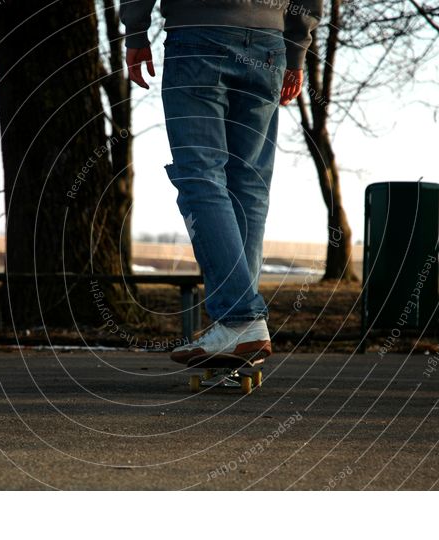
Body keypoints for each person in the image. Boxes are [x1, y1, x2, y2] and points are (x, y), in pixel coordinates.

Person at [120, 0, 320, 362]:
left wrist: (135, 30)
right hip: (269, 42)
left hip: (199, 34)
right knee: (249, 186)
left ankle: (240, 319)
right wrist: (296, 47)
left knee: (201, 176)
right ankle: (241, 327)